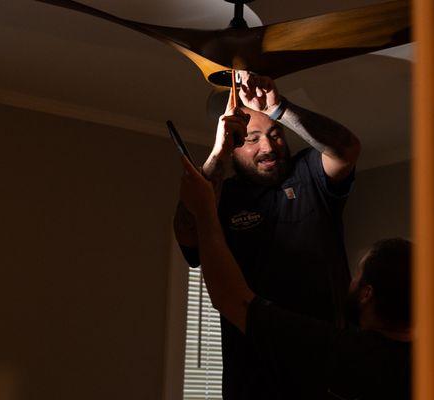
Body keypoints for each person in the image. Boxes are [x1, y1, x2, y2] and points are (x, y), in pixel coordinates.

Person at [174, 72, 361, 399]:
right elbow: (188, 231)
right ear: (234, 147)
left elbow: (347, 149)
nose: (269, 146)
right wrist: (218, 152)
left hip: (326, 373)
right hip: (254, 380)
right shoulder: (222, 197)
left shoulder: (309, 174)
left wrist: (279, 107)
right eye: (252, 138)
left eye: (276, 134)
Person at [177, 153, 412, 400]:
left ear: (367, 294)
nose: (349, 281)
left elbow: (232, 298)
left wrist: (204, 211)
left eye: (358, 275)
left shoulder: (349, 354)